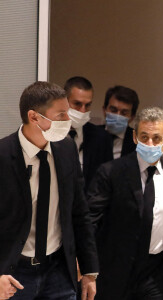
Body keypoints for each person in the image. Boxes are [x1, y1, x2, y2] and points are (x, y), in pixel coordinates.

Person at [0, 81, 98, 300]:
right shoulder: (3, 156)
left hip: (58, 269)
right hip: (14, 273)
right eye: (61, 115)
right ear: (34, 117)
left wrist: (90, 271)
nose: (68, 121)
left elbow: (80, 211)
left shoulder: (66, 148)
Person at [87, 107, 163, 300]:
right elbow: (90, 222)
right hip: (116, 273)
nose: (150, 143)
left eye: (156, 138)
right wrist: (86, 266)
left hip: (157, 274)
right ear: (135, 137)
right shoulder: (111, 172)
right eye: (144, 137)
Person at [64, 76, 111, 192]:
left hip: (88, 206)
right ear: (63, 101)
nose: (83, 111)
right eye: (77, 104)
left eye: (87, 105)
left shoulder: (101, 138)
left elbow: (106, 182)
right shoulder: (48, 133)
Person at [101, 85, 139, 160]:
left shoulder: (139, 144)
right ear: (104, 110)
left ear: (132, 117)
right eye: (113, 110)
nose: (117, 116)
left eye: (124, 113)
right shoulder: (89, 135)